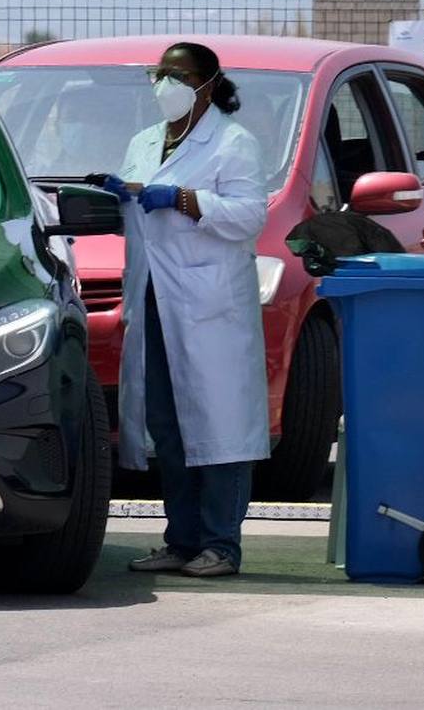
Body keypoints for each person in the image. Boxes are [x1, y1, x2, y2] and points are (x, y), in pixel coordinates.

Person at [102, 42, 270, 577]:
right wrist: (117, 197)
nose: (164, 84)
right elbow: (139, 205)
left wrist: (182, 199)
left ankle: (221, 544)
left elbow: (249, 216)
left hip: (208, 304)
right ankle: (181, 540)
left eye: (177, 74)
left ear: (208, 81)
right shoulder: (144, 141)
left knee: (219, 427)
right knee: (167, 427)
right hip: (154, 297)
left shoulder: (233, 143)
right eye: (159, 74)